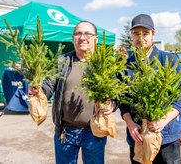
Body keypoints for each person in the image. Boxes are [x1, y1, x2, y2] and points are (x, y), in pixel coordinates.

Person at [29, 21, 118, 164]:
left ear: (96, 38)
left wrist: (112, 105)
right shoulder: (62, 61)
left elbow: (116, 93)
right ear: (73, 38)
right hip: (65, 132)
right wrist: (38, 90)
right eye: (78, 33)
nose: (83, 37)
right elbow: (48, 85)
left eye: (88, 33)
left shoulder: (104, 64)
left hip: (94, 131)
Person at [119, 14, 181, 164]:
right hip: (137, 136)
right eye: (136, 34)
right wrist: (130, 123)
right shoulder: (126, 66)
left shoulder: (169, 61)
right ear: (131, 35)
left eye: (145, 33)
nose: (141, 37)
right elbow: (122, 101)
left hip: (167, 138)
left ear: (153, 34)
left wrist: (163, 121)